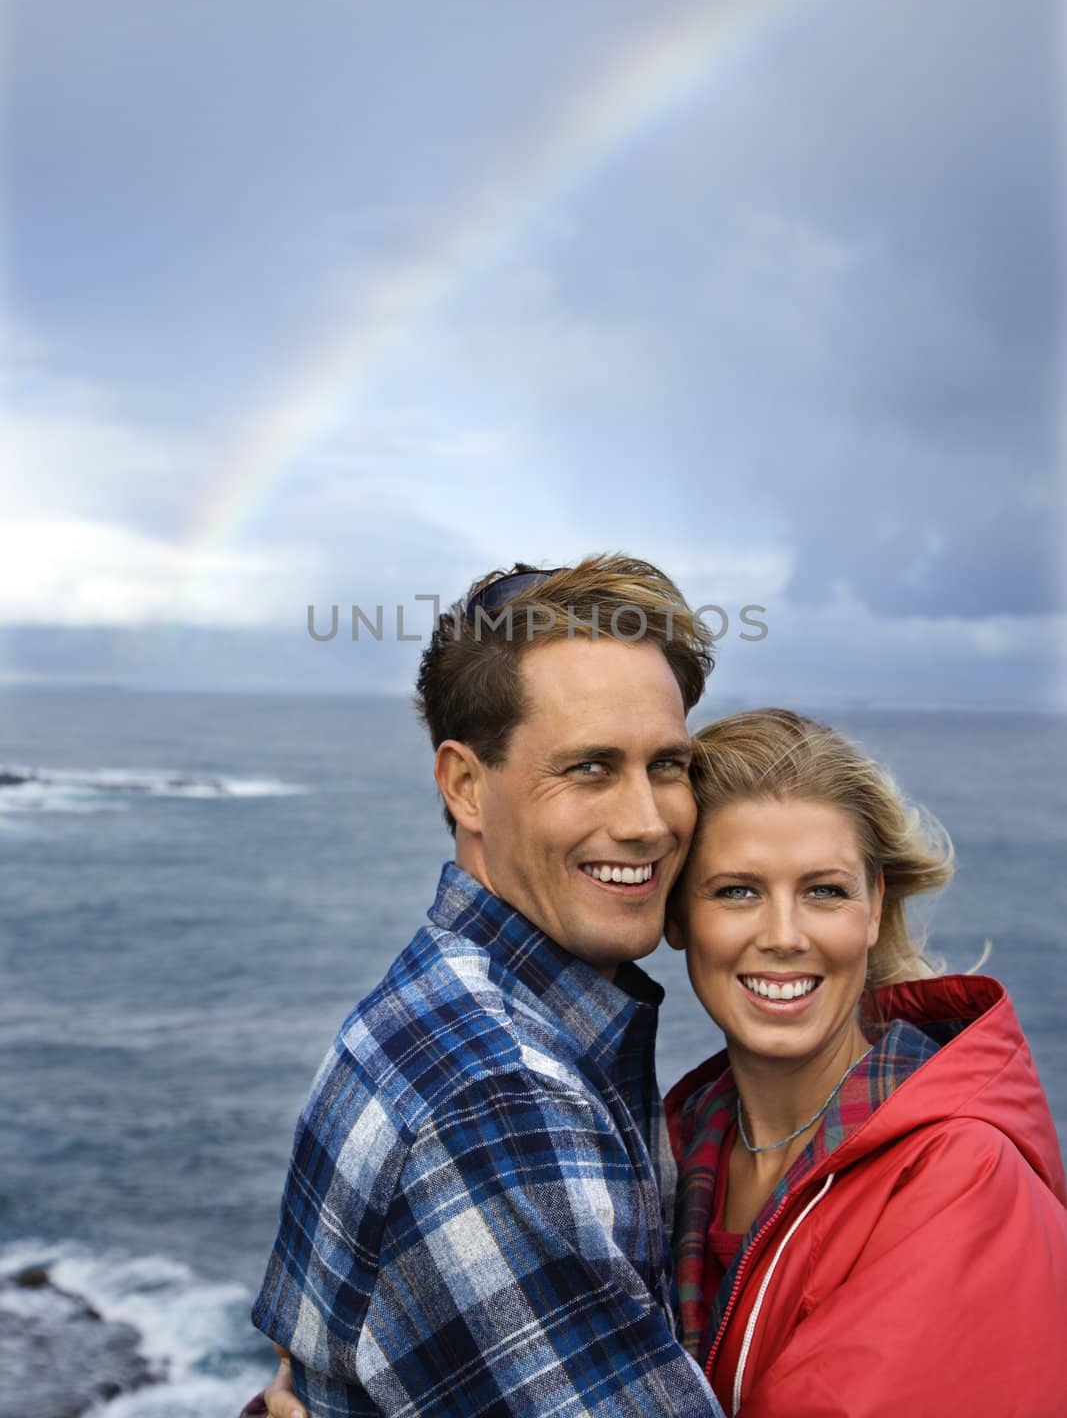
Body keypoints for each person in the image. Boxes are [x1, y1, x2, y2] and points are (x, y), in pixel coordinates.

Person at [249, 556, 728, 1416]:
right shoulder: (501, 1097)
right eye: (588, 768)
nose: (648, 821)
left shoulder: (440, 1001)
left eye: (666, 765)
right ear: (465, 786)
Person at [664, 708, 1067, 1417]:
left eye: (824, 891)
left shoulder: (961, 1174)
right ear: (676, 916)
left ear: (874, 907)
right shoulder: (668, 1145)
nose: (784, 936)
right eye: (737, 891)